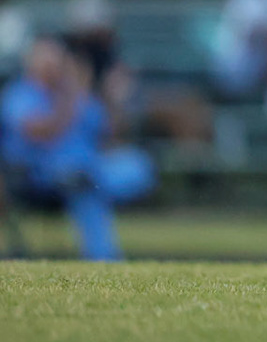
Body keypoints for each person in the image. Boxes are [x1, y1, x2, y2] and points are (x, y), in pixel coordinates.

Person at [0, 38, 155, 261]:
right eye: (46, 59)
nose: (52, 66)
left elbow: (108, 133)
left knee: (138, 163)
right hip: (41, 174)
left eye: (56, 59)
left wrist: (115, 97)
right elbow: (41, 131)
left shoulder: (78, 95)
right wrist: (70, 97)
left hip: (90, 167)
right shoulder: (20, 95)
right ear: (31, 63)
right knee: (81, 183)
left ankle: (92, 182)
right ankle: (105, 259)